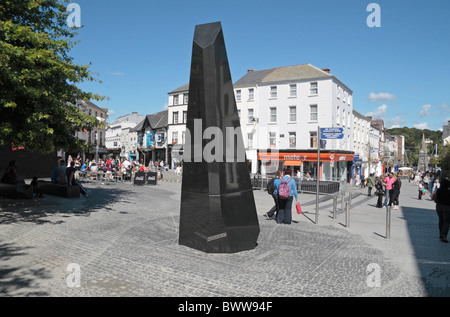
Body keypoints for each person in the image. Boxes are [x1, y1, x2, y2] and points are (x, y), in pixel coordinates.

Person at [435, 178, 450, 243]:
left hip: (438, 206)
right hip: (447, 207)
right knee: (446, 222)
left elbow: (436, 199)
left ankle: (441, 233)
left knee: (441, 220)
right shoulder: (449, 192)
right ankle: (444, 235)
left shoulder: (438, 190)